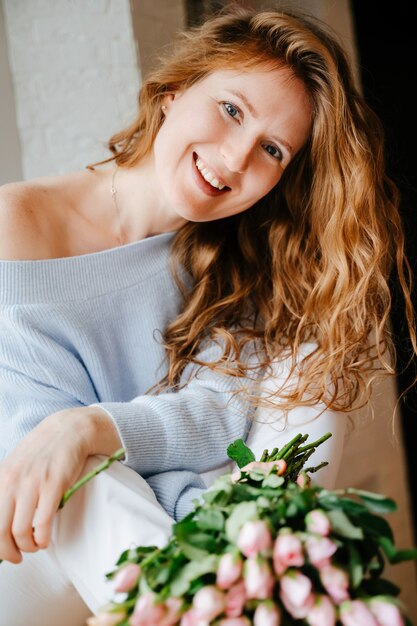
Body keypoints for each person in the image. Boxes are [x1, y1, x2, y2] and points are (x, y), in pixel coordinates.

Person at [0, 6, 415, 625]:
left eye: (272, 149)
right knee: (78, 467)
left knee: (309, 359)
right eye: (231, 110)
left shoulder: (239, 264)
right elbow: (33, 438)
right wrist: (95, 439)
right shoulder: (15, 225)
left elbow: (221, 410)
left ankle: (227, 590)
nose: (236, 158)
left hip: (165, 532)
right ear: (173, 90)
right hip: (29, 545)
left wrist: (96, 427)